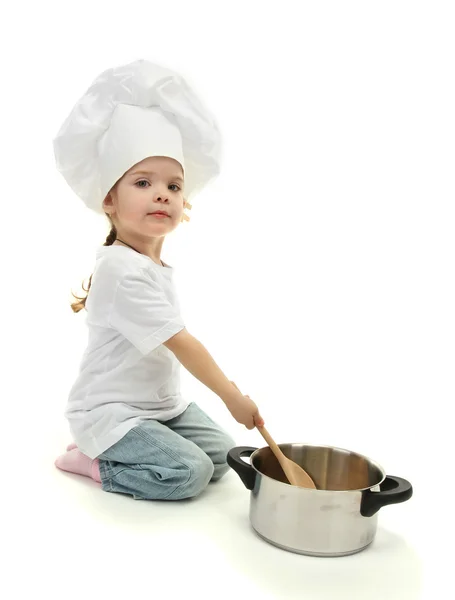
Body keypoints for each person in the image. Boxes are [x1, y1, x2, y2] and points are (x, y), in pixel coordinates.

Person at [52, 59, 265, 501]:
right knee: (189, 474)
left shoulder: (150, 266)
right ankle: (94, 460)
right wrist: (232, 396)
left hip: (158, 408)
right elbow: (183, 343)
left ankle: (128, 449)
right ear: (109, 199)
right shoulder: (119, 269)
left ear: (183, 204)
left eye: (173, 185)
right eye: (143, 182)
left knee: (222, 459)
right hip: (112, 413)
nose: (162, 194)